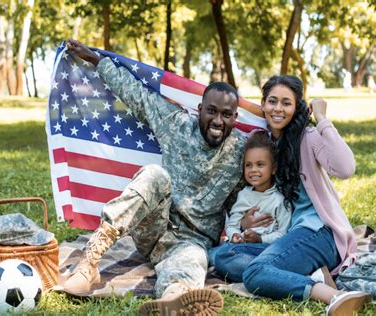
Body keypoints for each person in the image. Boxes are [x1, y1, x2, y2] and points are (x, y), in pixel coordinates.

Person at [63, 39, 271, 315]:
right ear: (200, 109)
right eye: (211, 111)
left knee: (192, 262)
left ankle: (175, 298)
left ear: (235, 117)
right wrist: (95, 60)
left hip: (192, 241)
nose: (218, 121)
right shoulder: (176, 124)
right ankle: (90, 262)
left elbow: (253, 190)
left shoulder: (242, 153)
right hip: (153, 226)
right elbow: (137, 94)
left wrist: (242, 224)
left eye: (226, 115)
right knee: (154, 174)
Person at [211, 75, 372, 315]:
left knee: (254, 273)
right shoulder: (265, 143)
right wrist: (244, 223)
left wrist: (323, 118)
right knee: (223, 256)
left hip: (319, 233)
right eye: (272, 101)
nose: (278, 109)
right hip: (286, 236)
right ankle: (312, 274)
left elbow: (345, 167)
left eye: (286, 103)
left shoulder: (308, 137)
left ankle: (334, 296)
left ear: (297, 107)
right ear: (263, 104)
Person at [225, 131, 290, 244]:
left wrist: (260, 239)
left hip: (265, 248)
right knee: (218, 254)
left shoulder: (279, 200)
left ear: (273, 168)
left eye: (260, 164)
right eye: (248, 165)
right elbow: (232, 225)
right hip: (241, 246)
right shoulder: (244, 195)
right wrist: (235, 236)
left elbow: (284, 233)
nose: (253, 169)